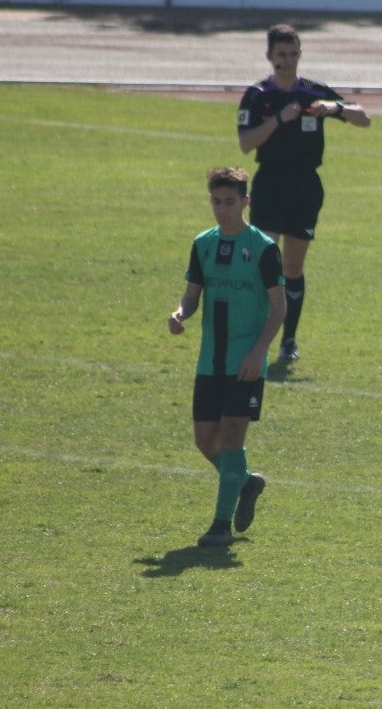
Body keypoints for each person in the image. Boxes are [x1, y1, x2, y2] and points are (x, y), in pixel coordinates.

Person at [237, 23, 370, 365]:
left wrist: (336, 108)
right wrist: (278, 120)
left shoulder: (314, 92)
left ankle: (288, 339)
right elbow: (245, 143)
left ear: (300, 54)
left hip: (306, 186)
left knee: (293, 266)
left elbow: (364, 118)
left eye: (293, 53)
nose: (288, 60)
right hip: (269, 184)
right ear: (269, 56)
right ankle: (254, 336)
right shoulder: (258, 95)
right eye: (281, 54)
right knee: (267, 261)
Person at [169, 167, 286, 547]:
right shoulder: (203, 243)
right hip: (210, 361)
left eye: (230, 203)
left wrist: (258, 352)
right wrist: (181, 313)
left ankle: (220, 526)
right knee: (206, 440)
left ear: (245, 202)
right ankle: (246, 482)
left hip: (246, 361)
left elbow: (279, 309)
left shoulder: (264, 248)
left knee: (232, 437)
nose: (222, 210)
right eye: (216, 202)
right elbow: (192, 294)